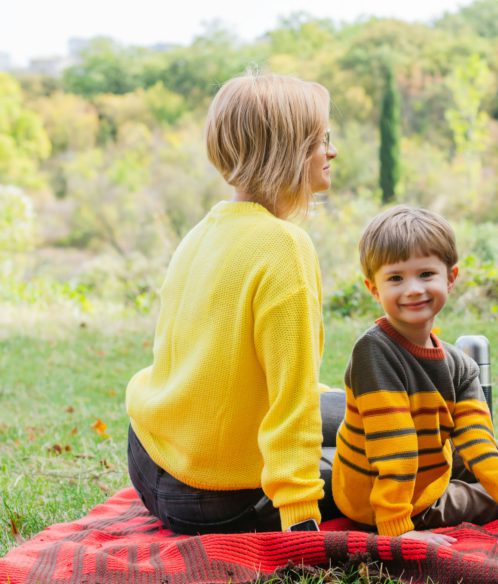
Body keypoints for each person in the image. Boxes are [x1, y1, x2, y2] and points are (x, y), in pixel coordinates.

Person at [125, 73, 343, 535]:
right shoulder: (285, 246)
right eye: (321, 139)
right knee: (390, 460)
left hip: (149, 460)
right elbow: (292, 401)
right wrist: (301, 516)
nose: (332, 151)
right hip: (212, 499)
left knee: (370, 408)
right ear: (287, 148)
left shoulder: (202, 231)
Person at [332, 206, 498, 546]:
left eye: (426, 274)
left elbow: (478, 446)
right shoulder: (373, 352)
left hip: (431, 464)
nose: (413, 289)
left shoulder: (461, 366)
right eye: (396, 278)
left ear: (450, 277)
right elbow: (395, 452)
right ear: (373, 288)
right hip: (383, 500)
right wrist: (399, 532)